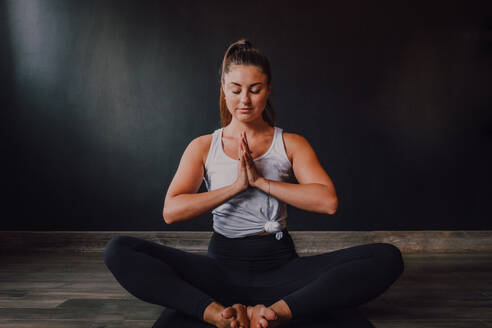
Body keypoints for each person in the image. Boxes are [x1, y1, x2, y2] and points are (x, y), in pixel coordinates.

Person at [104, 39, 405, 328]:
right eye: (235, 90)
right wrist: (235, 187)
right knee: (119, 249)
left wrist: (261, 182)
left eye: (255, 89)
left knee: (386, 257)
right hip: (219, 271)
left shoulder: (290, 143)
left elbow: (327, 202)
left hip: (281, 269)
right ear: (223, 90)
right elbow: (171, 211)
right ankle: (215, 315)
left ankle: (276, 313)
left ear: (268, 90)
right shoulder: (204, 146)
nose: (244, 100)